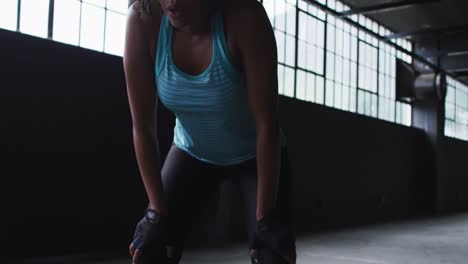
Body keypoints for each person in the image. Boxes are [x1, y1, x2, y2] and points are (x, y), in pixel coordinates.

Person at [123, 0, 296, 263]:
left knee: (271, 255)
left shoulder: (245, 18)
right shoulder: (143, 20)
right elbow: (142, 128)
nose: (172, 2)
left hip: (254, 155)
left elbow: (267, 126)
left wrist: (265, 221)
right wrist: (156, 212)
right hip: (191, 150)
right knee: (150, 251)